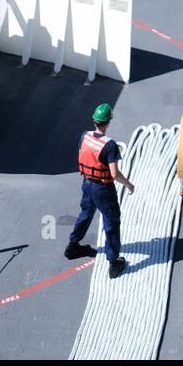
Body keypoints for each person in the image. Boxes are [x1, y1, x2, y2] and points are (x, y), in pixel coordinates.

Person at [65, 103, 134, 278]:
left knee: (85, 214)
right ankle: (114, 262)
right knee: (111, 222)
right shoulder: (110, 146)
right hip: (103, 188)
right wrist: (129, 185)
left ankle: (73, 246)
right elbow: (114, 174)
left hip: (87, 184)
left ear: (95, 121)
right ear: (108, 122)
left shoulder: (84, 136)